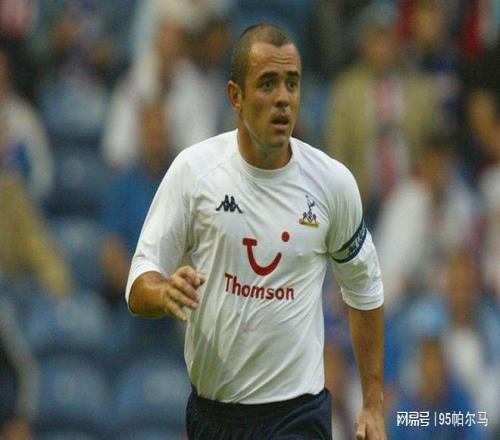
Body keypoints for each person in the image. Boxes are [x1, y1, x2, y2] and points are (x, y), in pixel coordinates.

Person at [126, 23, 385, 439]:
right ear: (236, 96)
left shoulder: (332, 184)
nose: (283, 98)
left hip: (297, 414)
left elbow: (365, 290)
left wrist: (372, 404)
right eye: (267, 84)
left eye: (292, 83)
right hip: (213, 416)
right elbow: (140, 280)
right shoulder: (195, 172)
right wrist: (163, 292)